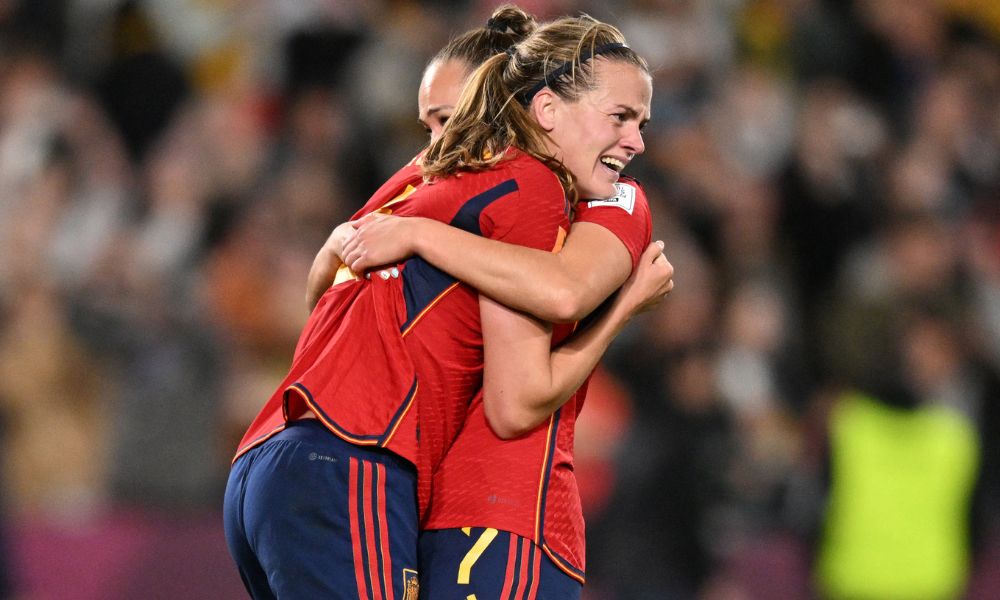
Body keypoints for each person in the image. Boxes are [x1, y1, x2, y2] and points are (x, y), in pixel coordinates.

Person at [224, 9, 668, 600]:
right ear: (545, 110)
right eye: (620, 117)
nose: (637, 141)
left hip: (269, 459)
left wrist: (406, 235)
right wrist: (626, 306)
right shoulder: (530, 186)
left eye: (447, 118)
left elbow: (323, 285)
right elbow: (538, 348)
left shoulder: (422, 178)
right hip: (365, 462)